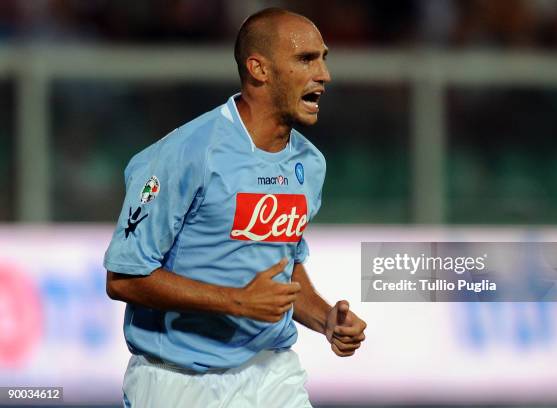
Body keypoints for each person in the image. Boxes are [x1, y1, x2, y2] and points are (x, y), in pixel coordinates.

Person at [104, 7, 366, 408]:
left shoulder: (310, 164)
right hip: (178, 380)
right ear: (259, 69)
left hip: (273, 373)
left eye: (323, 58)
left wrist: (325, 318)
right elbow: (123, 278)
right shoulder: (184, 154)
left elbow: (283, 268)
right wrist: (235, 301)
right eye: (306, 59)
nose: (324, 74)